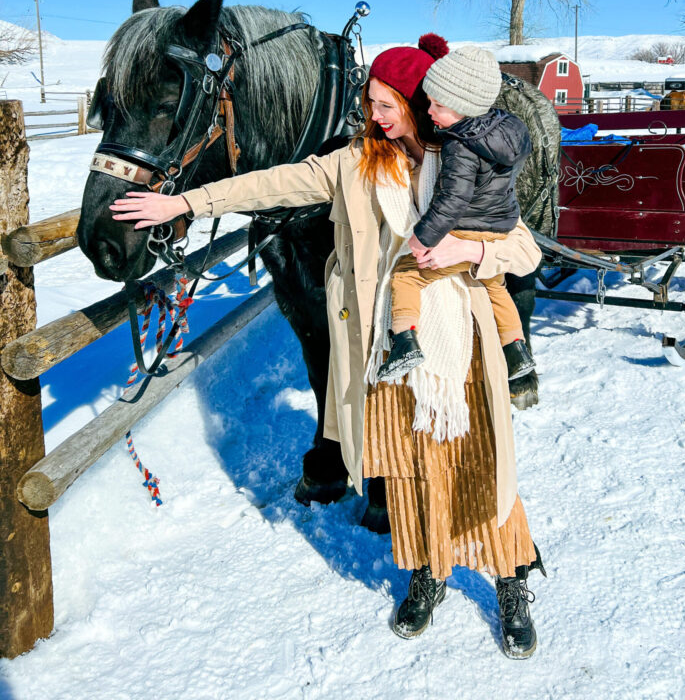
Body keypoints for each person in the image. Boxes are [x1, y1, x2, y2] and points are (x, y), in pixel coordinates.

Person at [110, 33, 546, 658]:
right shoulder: (352, 163)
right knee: (411, 468)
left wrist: (470, 250)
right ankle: (427, 575)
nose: (373, 116)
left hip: (464, 343)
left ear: (421, 103)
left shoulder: (464, 160)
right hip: (390, 348)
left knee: (481, 464)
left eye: (386, 104)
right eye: (370, 103)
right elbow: (268, 185)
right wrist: (182, 200)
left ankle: (510, 581)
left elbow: (523, 249)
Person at [378, 44, 536, 388]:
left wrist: (422, 238)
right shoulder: (509, 131)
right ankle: (517, 349)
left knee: (406, 276)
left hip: (464, 231)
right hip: (499, 228)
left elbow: (451, 201)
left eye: (438, 105)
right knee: (496, 287)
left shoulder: (459, 144)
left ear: (464, 106)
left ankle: (404, 342)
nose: (430, 111)